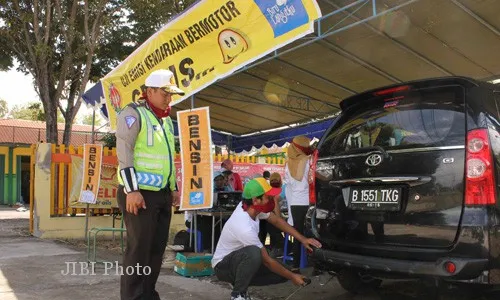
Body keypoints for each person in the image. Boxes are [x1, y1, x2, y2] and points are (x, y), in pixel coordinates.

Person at [116, 69, 183, 300]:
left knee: (156, 251)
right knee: (138, 251)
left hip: (161, 195)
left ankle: (147, 295)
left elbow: (168, 157)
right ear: (150, 91)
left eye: (171, 93)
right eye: (165, 92)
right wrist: (132, 190)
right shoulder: (132, 113)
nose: (169, 98)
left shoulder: (166, 120)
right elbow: (125, 151)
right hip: (139, 194)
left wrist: (173, 187)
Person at [212, 178, 322, 300]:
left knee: (284, 271)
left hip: (239, 261)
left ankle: (240, 281)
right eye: (268, 198)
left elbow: (276, 220)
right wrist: (293, 277)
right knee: (254, 253)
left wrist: (303, 239)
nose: (272, 200)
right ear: (256, 200)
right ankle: (238, 294)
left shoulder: (252, 208)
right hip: (223, 267)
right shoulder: (243, 225)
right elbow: (267, 261)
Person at [285, 135, 313, 271]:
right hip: (307, 202)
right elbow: (311, 181)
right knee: (312, 233)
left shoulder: (288, 163)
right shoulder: (308, 161)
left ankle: (295, 266)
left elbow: (288, 186)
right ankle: (316, 265)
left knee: (297, 235)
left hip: (295, 204)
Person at [259, 172, 285, 257]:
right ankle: (277, 248)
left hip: (270, 220)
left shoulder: (269, 192)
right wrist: (280, 219)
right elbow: (276, 210)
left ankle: (274, 248)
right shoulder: (281, 191)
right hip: (274, 219)